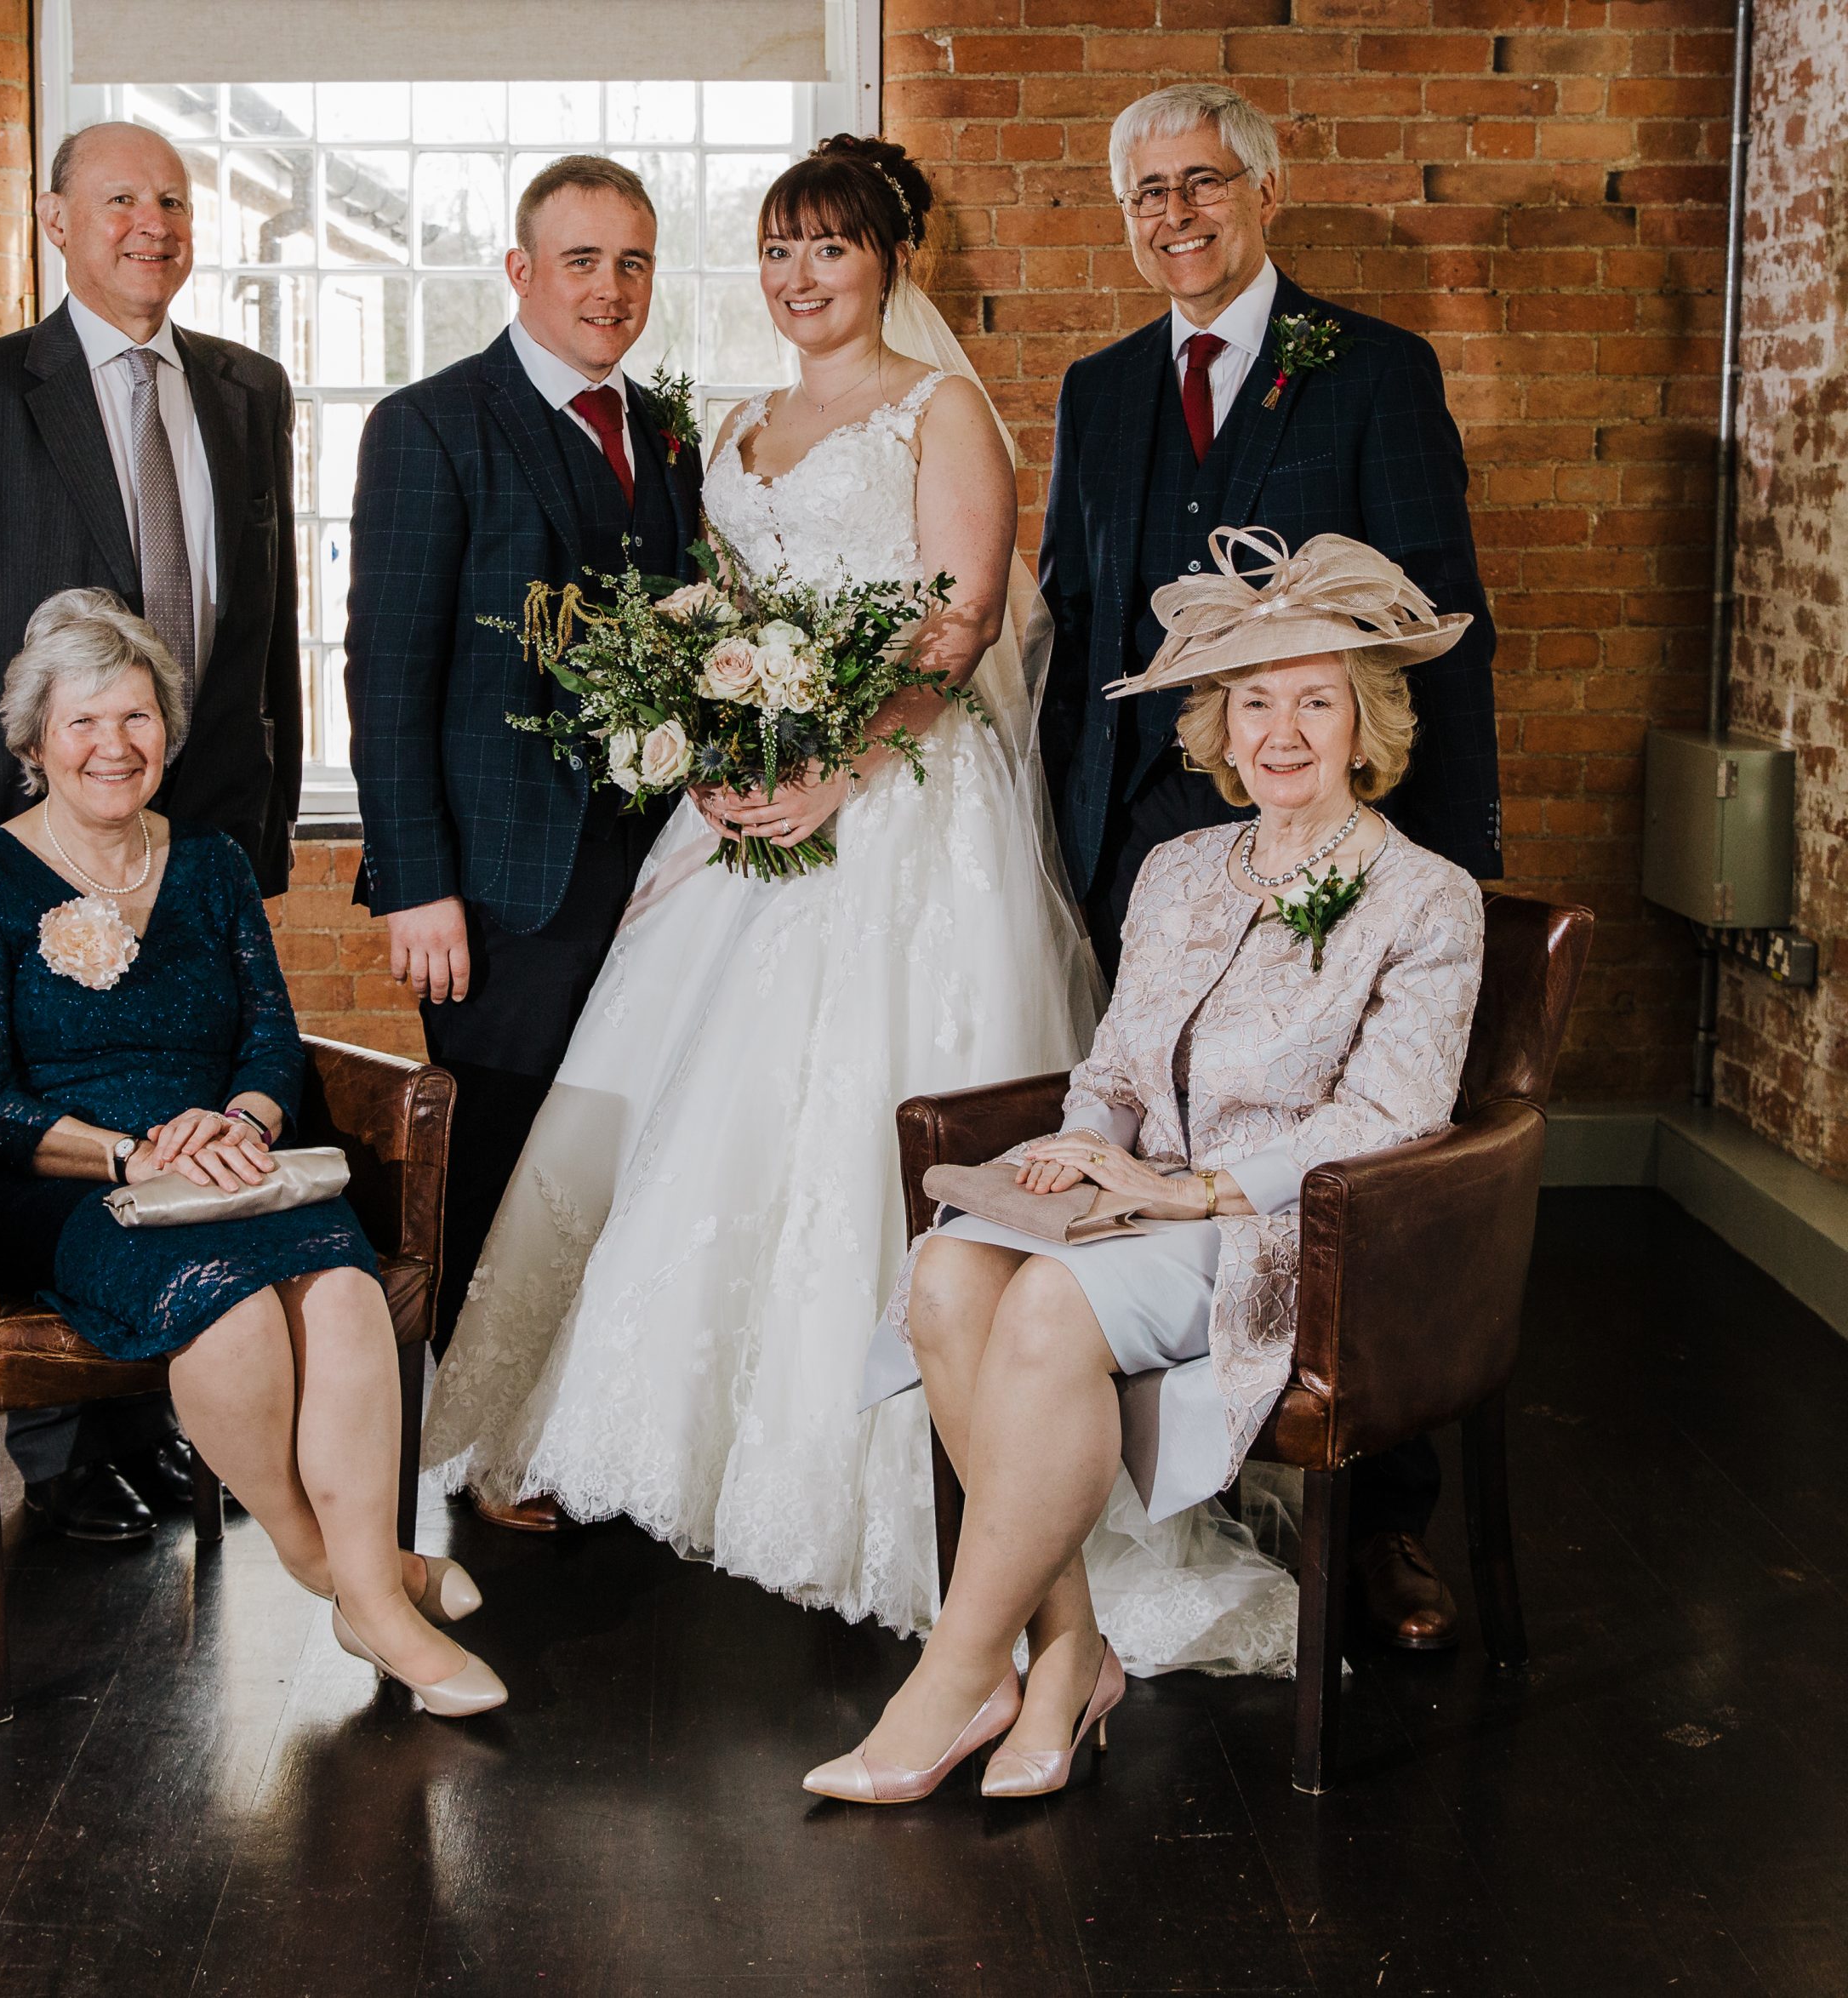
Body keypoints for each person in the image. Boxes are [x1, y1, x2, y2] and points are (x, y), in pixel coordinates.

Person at [416, 137, 1116, 1643]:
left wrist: (837, 773)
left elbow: (961, 623)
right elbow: (710, 621)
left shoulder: (941, 413)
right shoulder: (726, 427)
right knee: (686, 1113)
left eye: (831, 249)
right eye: (779, 250)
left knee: (855, 1108)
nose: (801, 278)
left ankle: (878, 1473)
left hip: (902, 808)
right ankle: (651, 1437)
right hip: (744, 809)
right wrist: (714, 749)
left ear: (888, 264)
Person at [806, 529, 1484, 1804]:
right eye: (1255, 703)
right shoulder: (1176, 871)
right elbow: (1117, 1067)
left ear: (1365, 726)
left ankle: (957, 1674)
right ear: (1222, 729)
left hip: (1283, 1230)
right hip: (1139, 1201)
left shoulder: (1426, 898)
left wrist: (1197, 1192)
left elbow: (1393, 1116)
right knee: (948, 1274)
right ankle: (1070, 1655)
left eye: (1315, 702)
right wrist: (1086, 1144)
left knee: (1047, 1306)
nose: (1282, 733)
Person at [1038, 81, 1499, 1647]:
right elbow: (1079, 626)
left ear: (1263, 192)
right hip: (1148, 842)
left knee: (1350, 1162)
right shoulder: (1100, 391)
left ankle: (1381, 1520)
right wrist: (1066, 839)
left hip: (1332, 825)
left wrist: (1451, 857)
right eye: (1147, 193)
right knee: (1171, 1118)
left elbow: (1444, 625)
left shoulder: (1374, 370)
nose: (1175, 214)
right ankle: (1182, 1487)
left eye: (1202, 183)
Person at [0, 590, 503, 1718]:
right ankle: (352, 1582)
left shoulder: (214, 863)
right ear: (36, 741)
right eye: (84, 722)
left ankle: (367, 1586)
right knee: (231, 1312)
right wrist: (131, 1154)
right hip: (84, 1184)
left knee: (343, 1292)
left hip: (232, 1159)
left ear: (167, 732)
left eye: (136, 717)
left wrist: (242, 1120)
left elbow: (270, 1035)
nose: (114, 746)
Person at [0, 121, 305, 1543]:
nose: (150, 222)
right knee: (54, 1105)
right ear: (57, 221)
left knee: (180, 1090)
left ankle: (164, 1409)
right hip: (24, 827)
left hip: (196, 828)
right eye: (118, 199)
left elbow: (266, 627)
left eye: (171, 198)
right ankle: (59, 1455)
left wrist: (267, 814)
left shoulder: (248, 390)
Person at [343, 157, 704, 1535]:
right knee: (500, 1158)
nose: (610, 289)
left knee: (619, 1155)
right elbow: (387, 670)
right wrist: (417, 883)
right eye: (581, 261)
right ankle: (485, 1445)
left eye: (633, 262)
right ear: (520, 271)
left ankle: (592, 1425)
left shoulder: (663, 433)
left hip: (656, 869)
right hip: (497, 881)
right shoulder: (432, 425)